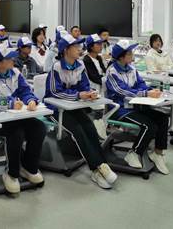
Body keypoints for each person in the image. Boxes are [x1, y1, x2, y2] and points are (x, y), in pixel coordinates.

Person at [44, 33, 118, 189]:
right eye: (76, 46)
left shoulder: (80, 66)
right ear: (66, 50)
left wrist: (89, 93)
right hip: (56, 109)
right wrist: (78, 95)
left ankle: (102, 164)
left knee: (90, 128)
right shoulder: (56, 67)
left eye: (79, 46)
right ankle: (96, 169)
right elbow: (54, 92)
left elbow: (84, 86)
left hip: (74, 107)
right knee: (78, 131)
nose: (80, 49)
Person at [0, 44, 46, 194]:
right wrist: (9, 103)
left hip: (17, 117)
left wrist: (31, 100)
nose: (13, 60)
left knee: (39, 127)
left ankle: (29, 167)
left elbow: (25, 90)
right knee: (16, 133)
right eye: (9, 58)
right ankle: (12, 173)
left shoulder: (15, 72)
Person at [106, 40, 170, 174]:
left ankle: (157, 153)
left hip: (136, 106)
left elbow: (140, 84)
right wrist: (146, 93)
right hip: (119, 110)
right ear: (121, 57)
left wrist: (151, 90)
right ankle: (134, 153)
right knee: (149, 126)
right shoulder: (112, 72)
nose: (132, 55)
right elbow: (122, 91)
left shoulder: (132, 69)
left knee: (163, 118)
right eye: (129, 53)